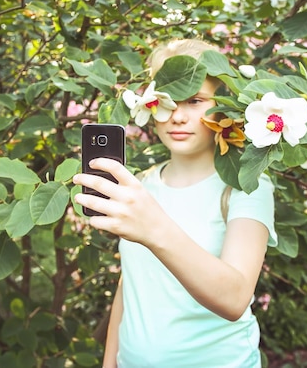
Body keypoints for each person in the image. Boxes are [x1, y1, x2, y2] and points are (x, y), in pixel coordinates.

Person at [73, 39, 277, 368]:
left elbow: (235, 298)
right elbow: (131, 287)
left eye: (195, 100)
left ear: (224, 108)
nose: (177, 116)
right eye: (163, 101)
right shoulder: (139, 186)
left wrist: (155, 227)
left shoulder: (246, 187)